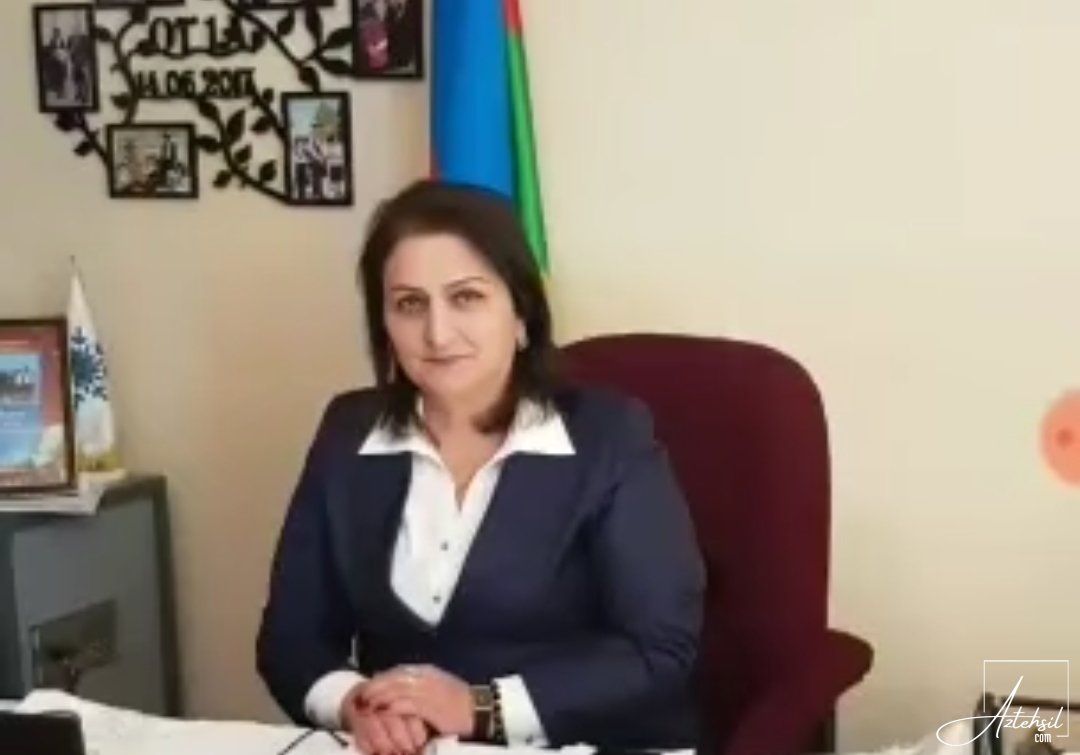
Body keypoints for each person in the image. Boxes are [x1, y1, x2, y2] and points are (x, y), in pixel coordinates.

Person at [256, 180, 706, 754]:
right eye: (409, 304)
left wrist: (480, 708)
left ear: (520, 315)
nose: (437, 334)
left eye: (466, 297)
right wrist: (358, 704)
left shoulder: (610, 436)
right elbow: (291, 639)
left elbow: (659, 651)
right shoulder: (350, 431)